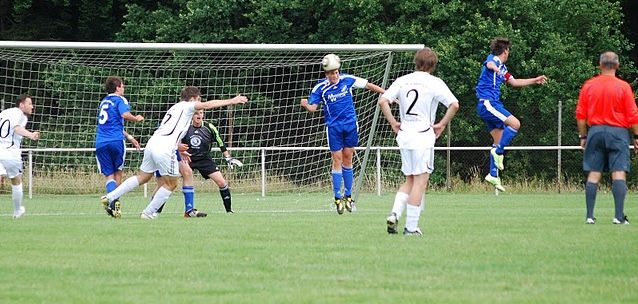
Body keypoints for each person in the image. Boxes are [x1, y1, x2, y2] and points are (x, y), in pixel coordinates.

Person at [100, 86, 247, 219]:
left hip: (153, 143)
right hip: (164, 147)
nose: (200, 105)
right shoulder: (187, 106)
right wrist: (232, 101)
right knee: (171, 183)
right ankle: (148, 213)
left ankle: (110, 197)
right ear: (193, 99)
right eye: (198, 100)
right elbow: (208, 105)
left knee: (143, 178)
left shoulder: (175, 108)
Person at [379, 48, 460, 235]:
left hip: (405, 135)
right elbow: (454, 104)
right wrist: (441, 124)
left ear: (416, 62)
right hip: (423, 135)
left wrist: (393, 123)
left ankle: (394, 214)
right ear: (432, 65)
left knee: (410, 179)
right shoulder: (434, 82)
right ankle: (411, 227)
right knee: (421, 181)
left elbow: (383, 101)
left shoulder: (402, 80)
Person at [300, 53, 385, 214]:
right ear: (326, 74)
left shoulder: (347, 80)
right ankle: (337, 197)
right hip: (334, 128)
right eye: (331, 73)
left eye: (336, 72)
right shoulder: (320, 88)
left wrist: (385, 93)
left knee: (348, 158)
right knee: (337, 159)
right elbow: (313, 108)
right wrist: (305, 104)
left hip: (351, 126)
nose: (335, 75)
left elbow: (368, 85)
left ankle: (348, 196)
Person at [475, 37, 547, 192]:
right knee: (515, 124)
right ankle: (498, 152)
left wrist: (535, 80)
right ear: (505, 51)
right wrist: (495, 68)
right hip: (488, 103)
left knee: (498, 138)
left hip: (492, 105)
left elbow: (514, 82)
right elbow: (490, 64)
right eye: (508, 51)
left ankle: (493, 174)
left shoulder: (504, 69)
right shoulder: (493, 60)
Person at [576, 51, 638, 225]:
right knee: (618, 173)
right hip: (618, 133)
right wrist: (636, 136)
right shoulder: (623, 86)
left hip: (595, 131)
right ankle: (618, 216)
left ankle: (589, 216)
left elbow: (580, 115)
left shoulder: (589, 85)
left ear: (600, 66)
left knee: (594, 174)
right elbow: (633, 115)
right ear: (617, 66)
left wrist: (583, 136)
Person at [154, 109, 243, 217]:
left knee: (222, 182)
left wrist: (228, 157)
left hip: (204, 159)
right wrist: (180, 152)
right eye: (196, 113)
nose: (198, 115)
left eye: (200, 113)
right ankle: (156, 211)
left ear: (203, 115)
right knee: (169, 183)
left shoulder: (209, 127)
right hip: (187, 159)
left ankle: (229, 211)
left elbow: (220, 142)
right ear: (192, 115)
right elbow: (176, 140)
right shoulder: (185, 127)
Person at [95, 76, 144, 217]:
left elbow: (112, 124)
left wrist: (130, 137)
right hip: (116, 141)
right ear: (117, 88)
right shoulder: (120, 99)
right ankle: (114, 203)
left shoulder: (103, 102)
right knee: (118, 173)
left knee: (109, 176)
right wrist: (136, 118)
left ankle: (111, 203)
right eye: (122, 86)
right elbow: (124, 114)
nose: (124, 88)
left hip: (101, 142)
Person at [0, 95, 40, 219]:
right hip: (10, 153)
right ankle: (17, 211)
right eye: (30, 104)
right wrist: (31, 135)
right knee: (16, 181)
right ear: (21, 105)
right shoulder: (20, 115)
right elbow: (16, 128)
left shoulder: (4, 112)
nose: (32, 106)